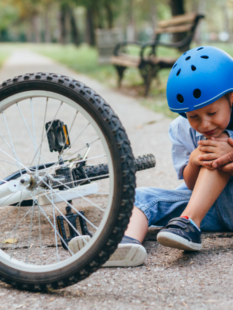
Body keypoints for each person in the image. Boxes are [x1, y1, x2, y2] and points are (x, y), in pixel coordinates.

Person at [68, 46, 233, 267]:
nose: (204, 124)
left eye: (211, 113)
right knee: (141, 197)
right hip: (211, 209)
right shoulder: (181, 128)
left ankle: (189, 223)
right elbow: (191, 184)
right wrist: (194, 160)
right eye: (193, 116)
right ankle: (123, 244)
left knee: (215, 148)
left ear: (231, 98)